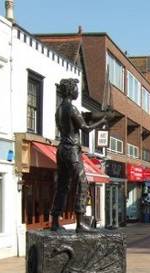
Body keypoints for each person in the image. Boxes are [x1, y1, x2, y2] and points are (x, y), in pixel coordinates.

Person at [50, 78, 107, 232]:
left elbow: (74, 124)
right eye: (75, 88)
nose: (77, 91)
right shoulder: (72, 108)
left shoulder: (59, 109)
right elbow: (86, 128)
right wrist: (102, 120)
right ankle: (80, 223)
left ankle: (54, 221)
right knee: (82, 183)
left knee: (62, 185)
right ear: (70, 90)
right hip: (72, 150)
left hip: (61, 149)